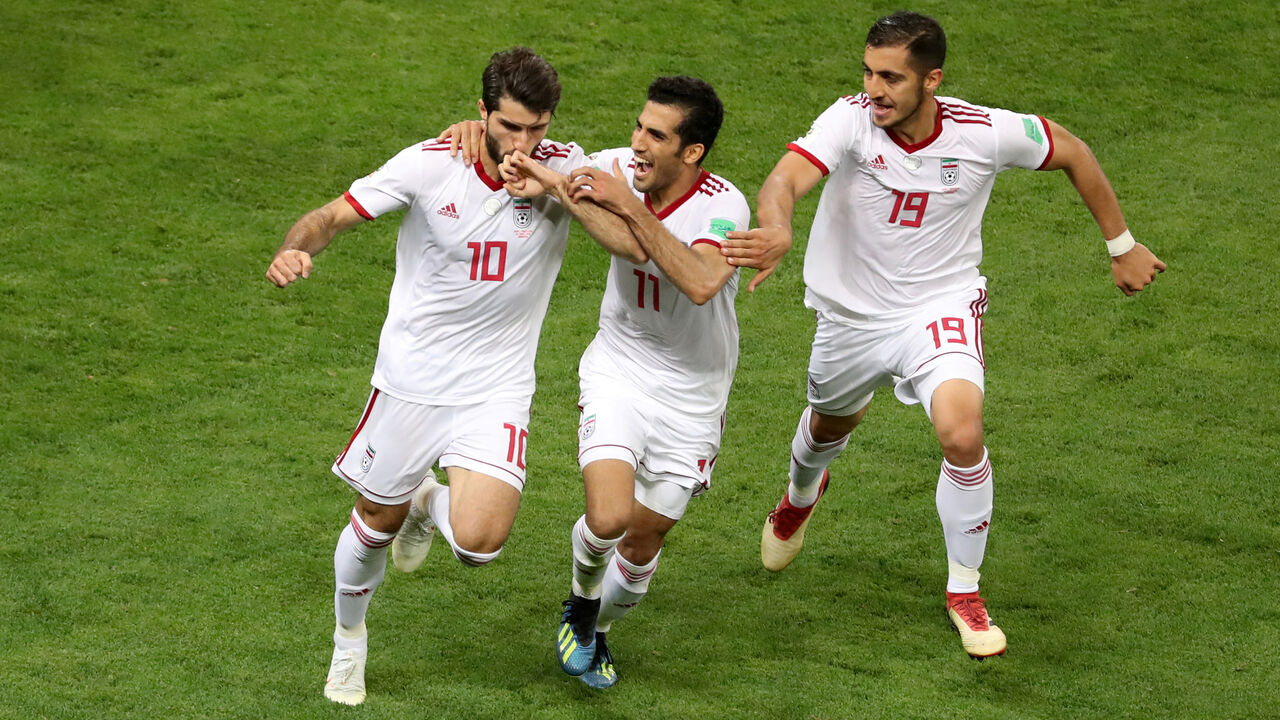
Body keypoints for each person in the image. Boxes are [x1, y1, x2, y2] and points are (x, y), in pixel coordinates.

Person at [719, 11, 1165, 659]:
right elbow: (786, 178)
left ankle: (964, 589)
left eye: (891, 77)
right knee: (825, 428)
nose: (874, 88)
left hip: (940, 306)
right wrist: (778, 225)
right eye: (869, 71)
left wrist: (1121, 245)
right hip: (853, 315)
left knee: (962, 432)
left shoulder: (984, 132)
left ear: (932, 80)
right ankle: (797, 499)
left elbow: (1071, 149)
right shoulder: (849, 118)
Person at [265, 47, 587, 705]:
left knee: (479, 544)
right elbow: (330, 216)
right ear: (481, 113)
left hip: (496, 386)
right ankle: (348, 640)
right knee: (372, 521)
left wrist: (554, 183)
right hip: (412, 380)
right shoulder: (430, 165)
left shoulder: (566, 171)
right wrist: (295, 248)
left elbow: (632, 200)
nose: (525, 143)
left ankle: (426, 502)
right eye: (510, 127)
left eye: (539, 128)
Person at [498, 76, 749, 688]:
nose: (636, 143)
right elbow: (521, 144)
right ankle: (581, 604)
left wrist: (622, 205)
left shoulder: (725, 205)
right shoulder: (615, 167)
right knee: (608, 517)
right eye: (638, 126)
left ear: (691, 153)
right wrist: (472, 134)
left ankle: (598, 629)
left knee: (643, 543)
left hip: (694, 390)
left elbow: (697, 280)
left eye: (656, 135)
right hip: (621, 366)